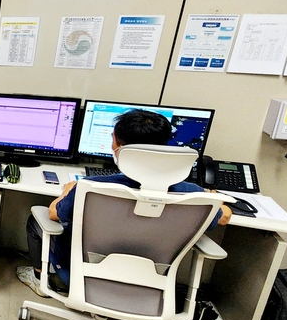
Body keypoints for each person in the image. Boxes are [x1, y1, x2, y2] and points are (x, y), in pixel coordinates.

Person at [16, 109, 232, 297]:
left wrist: (68, 190)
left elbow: (54, 213)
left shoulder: (91, 187)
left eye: (113, 139)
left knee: (37, 221)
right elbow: (224, 216)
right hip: (151, 286)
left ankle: (39, 278)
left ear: (119, 147)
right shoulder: (190, 194)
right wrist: (210, 195)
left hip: (82, 277)